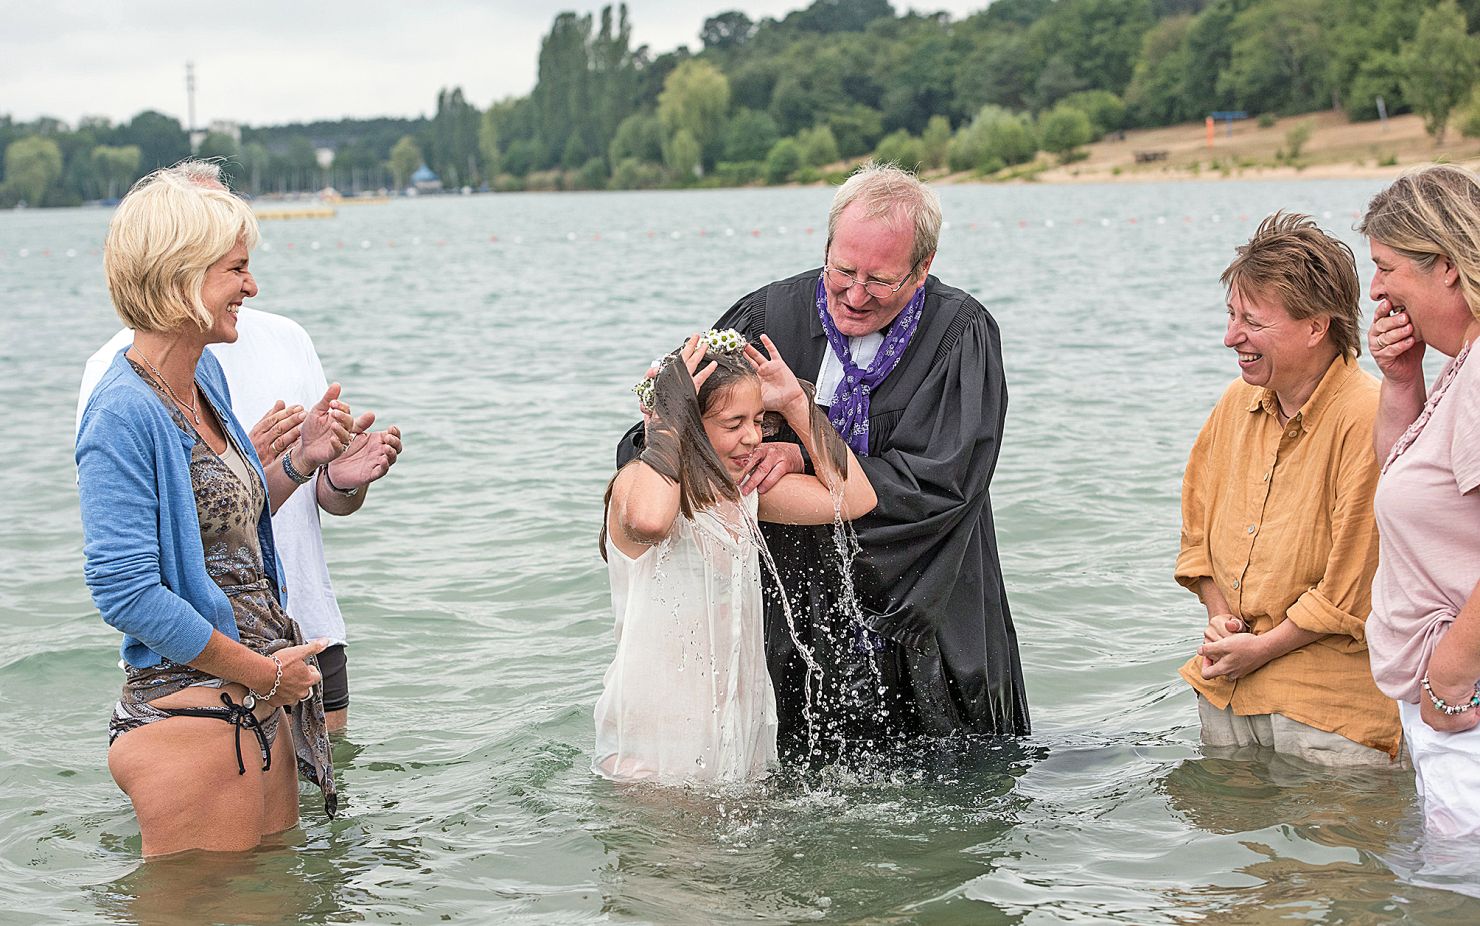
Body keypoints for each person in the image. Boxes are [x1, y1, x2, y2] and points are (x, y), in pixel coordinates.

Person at [619, 163, 1028, 761]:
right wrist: (745, 457)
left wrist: (807, 453)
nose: (855, 294)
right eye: (843, 271)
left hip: (923, 612)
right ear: (826, 246)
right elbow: (659, 433)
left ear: (923, 269)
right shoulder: (765, 319)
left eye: (880, 280)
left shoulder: (960, 335)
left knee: (958, 776)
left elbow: (943, 486)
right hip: (793, 615)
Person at [76, 162, 355, 856]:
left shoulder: (202, 381)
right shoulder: (122, 410)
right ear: (182, 276)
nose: (252, 286)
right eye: (236, 269)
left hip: (252, 711)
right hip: (195, 725)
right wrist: (264, 673)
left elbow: (231, 527)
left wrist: (306, 464)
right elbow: (125, 591)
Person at [79, 306, 403, 734]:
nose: (249, 284)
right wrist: (228, 472)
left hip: (304, 627)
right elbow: (136, 563)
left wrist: (330, 477)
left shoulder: (279, 340)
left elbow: (319, 502)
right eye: (234, 266)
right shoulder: (117, 378)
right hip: (205, 655)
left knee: (319, 795)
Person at [597, 330, 876, 783]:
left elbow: (855, 498)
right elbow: (650, 522)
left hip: (734, 729)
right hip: (654, 741)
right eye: (733, 424)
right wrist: (669, 420)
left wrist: (796, 406)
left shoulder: (743, 494)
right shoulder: (634, 484)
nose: (752, 438)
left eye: (760, 420)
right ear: (687, 423)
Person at [1175, 212, 1401, 767]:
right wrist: (1220, 615)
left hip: (1329, 715)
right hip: (1226, 687)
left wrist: (1261, 649)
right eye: (1231, 316)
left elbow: (1352, 586)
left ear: (1316, 326)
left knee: (1334, 855)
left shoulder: (1368, 415)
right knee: (1237, 850)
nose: (1232, 338)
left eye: (1252, 321)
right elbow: (1197, 535)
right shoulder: (1235, 403)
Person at [1361, 166, 1480, 833]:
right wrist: (1402, 381)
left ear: (1447, 266)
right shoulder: (1460, 364)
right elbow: (1404, 489)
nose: (1375, 289)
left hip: (1465, 698)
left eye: (1386, 268)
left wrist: (1449, 680)